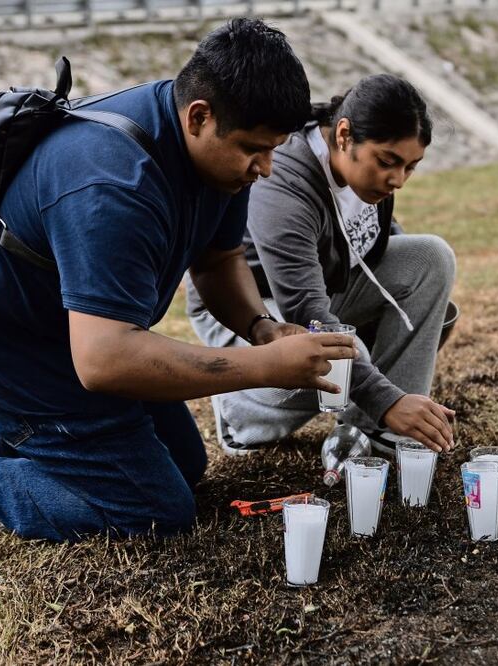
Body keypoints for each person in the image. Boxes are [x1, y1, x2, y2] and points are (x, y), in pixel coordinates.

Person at [0, 19, 358, 545]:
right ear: (199, 117)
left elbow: (218, 263)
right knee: (151, 508)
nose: (265, 168)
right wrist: (262, 367)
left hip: (75, 328)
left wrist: (262, 328)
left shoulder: (221, 154)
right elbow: (105, 360)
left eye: (274, 149)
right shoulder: (113, 181)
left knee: (183, 462)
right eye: (254, 150)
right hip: (14, 343)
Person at [186, 74, 457, 456]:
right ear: (344, 135)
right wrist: (386, 397)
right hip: (251, 309)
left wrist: (402, 326)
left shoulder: (367, 175)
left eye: (411, 167)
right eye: (388, 161)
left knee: (432, 257)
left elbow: (377, 243)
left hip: (331, 287)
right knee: (346, 354)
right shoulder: (285, 179)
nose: (398, 179)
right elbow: (306, 311)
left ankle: (378, 435)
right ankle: (243, 412)